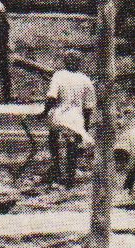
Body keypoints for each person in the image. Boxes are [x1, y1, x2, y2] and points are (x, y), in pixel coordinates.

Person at [42, 49, 95, 185]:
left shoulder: (59, 75)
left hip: (59, 116)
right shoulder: (85, 79)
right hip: (76, 119)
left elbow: (51, 98)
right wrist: (84, 128)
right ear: (79, 63)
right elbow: (88, 108)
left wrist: (44, 112)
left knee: (53, 136)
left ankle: (56, 167)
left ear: (65, 62)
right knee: (72, 144)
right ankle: (70, 177)